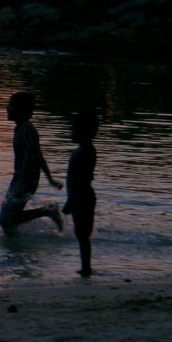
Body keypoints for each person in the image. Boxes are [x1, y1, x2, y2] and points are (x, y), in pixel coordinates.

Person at [0, 92, 63, 234]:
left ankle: (48, 211)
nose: (7, 108)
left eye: (11, 105)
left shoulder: (26, 129)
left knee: (6, 219)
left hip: (25, 179)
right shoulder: (21, 128)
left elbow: (32, 156)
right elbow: (38, 155)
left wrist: (21, 181)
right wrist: (50, 178)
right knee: (7, 222)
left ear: (21, 110)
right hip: (20, 178)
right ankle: (14, 251)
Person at [63, 111, 99, 277]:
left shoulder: (86, 152)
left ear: (83, 131)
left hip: (82, 197)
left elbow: (83, 180)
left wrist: (71, 201)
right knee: (81, 234)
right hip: (80, 195)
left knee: (82, 234)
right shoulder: (83, 150)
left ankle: (86, 268)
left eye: (74, 129)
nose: (71, 132)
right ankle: (85, 266)